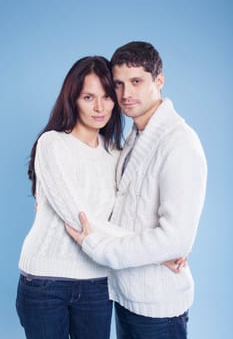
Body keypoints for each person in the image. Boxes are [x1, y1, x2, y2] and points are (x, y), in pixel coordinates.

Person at [65, 41, 208, 339]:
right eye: (118, 84)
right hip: (127, 295)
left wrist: (100, 248)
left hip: (157, 306)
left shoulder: (179, 143)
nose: (126, 94)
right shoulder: (136, 136)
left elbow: (176, 238)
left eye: (137, 82)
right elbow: (118, 210)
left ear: (159, 80)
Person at [16, 56, 126, 339]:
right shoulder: (53, 144)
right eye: (89, 97)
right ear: (73, 98)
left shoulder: (116, 153)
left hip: (97, 282)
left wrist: (165, 246)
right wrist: (148, 247)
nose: (99, 107)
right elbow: (78, 217)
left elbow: (129, 213)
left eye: (107, 97)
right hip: (45, 282)